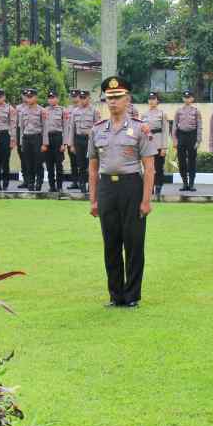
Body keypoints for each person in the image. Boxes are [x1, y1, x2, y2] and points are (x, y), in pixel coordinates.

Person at [88, 75, 156, 308]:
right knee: (111, 243)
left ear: (127, 99)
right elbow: (93, 168)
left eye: (118, 97)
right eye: (109, 98)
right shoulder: (97, 130)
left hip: (131, 187)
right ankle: (115, 295)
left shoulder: (139, 128)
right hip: (107, 188)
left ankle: (132, 295)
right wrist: (93, 200)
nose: (113, 102)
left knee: (134, 242)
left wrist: (146, 200)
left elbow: (149, 168)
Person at [65, 89, 96, 194]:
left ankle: (91, 186)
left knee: (90, 165)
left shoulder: (94, 111)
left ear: (89, 98)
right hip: (78, 139)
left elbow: (97, 128)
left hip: (90, 140)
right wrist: (71, 144)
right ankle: (82, 185)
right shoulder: (75, 111)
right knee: (81, 165)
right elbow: (72, 128)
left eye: (84, 98)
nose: (82, 100)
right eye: (81, 98)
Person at [16, 88, 45, 191]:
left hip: (37, 138)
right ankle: (30, 183)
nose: (29, 99)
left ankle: (39, 183)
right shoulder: (22, 111)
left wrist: (44, 143)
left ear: (36, 97)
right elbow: (21, 128)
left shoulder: (41, 110)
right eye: (27, 97)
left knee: (38, 162)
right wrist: (21, 142)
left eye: (31, 97)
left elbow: (45, 128)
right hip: (26, 138)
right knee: (28, 162)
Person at [172, 90, 201, 191]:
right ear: (183, 99)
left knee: (192, 161)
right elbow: (174, 126)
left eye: (189, 97)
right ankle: (185, 183)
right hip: (182, 136)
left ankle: (192, 184)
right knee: (181, 161)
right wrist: (174, 140)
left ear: (192, 99)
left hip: (192, 136)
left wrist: (198, 140)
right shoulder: (178, 111)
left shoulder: (196, 111)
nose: (187, 99)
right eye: (185, 97)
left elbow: (199, 126)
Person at [142, 92, 168, 199]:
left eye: (154, 99)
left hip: (158, 143)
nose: (151, 101)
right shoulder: (144, 115)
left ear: (157, 101)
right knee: (148, 168)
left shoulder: (162, 114)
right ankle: (150, 187)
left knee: (158, 167)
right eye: (150, 99)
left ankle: (158, 186)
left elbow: (165, 131)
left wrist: (164, 147)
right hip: (148, 144)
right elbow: (142, 132)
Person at [43, 90, 67, 191]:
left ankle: (60, 186)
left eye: (53, 98)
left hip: (58, 138)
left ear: (57, 99)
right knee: (49, 164)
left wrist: (64, 143)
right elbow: (42, 127)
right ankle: (52, 186)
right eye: (49, 98)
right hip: (47, 138)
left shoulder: (62, 110)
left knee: (58, 164)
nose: (51, 100)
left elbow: (65, 127)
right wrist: (44, 142)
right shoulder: (44, 110)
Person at [0, 89, 15, 190]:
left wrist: (13, 139)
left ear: (4, 97)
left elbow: (13, 124)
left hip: (5, 135)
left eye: (0, 97)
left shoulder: (10, 109)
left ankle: (5, 183)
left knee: (5, 161)